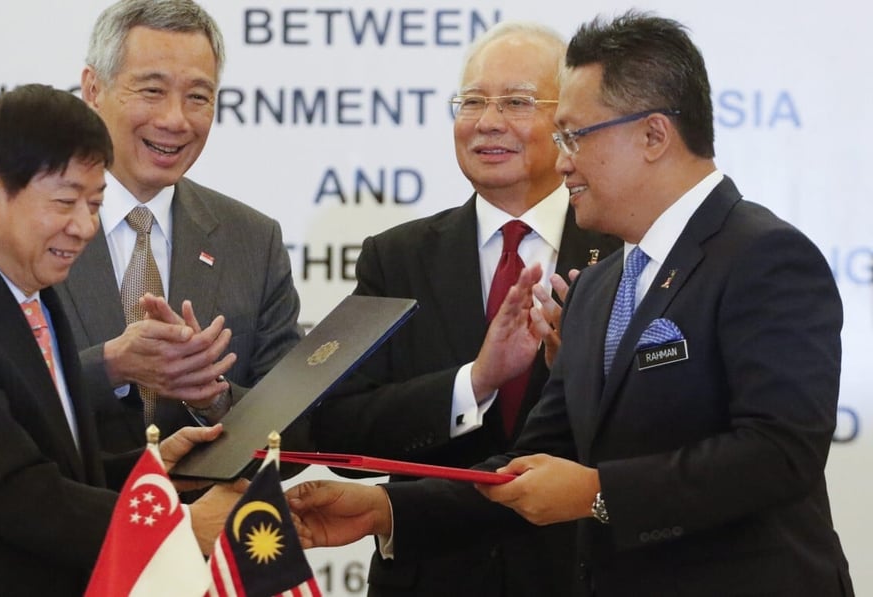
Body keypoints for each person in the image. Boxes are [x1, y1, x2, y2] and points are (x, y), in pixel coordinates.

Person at [289, 11, 855, 596]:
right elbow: (538, 459)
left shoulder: (765, 257)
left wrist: (596, 492)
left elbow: (780, 454)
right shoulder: (601, 284)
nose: (562, 162)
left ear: (654, 135)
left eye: (574, 136)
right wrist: (386, 509)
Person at [0, 84, 241, 596]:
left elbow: (54, 461)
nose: (84, 227)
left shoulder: (35, 296)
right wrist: (177, 527)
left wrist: (150, 474)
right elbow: (12, 492)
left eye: (95, 204)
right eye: (65, 202)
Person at [308, 21, 618, 596]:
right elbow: (337, 430)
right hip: (434, 576)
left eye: (517, 102)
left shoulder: (624, 250)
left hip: (582, 574)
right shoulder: (396, 258)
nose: (487, 122)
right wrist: (473, 384)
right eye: (472, 101)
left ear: (569, 125)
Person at [56, 0, 303, 455]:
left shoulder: (253, 241)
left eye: (198, 97)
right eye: (152, 91)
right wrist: (110, 367)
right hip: (59, 520)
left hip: (204, 521)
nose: (175, 119)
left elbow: (292, 436)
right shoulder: (30, 225)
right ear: (93, 88)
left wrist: (215, 398)